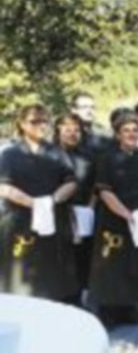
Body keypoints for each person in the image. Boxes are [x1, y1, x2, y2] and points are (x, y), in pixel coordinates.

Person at [0, 104, 79, 302]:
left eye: (45, 121)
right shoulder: (10, 154)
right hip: (20, 221)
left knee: (51, 273)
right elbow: (3, 187)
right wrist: (34, 204)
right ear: (22, 124)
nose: (41, 125)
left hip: (53, 219)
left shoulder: (57, 152)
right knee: (19, 274)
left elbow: (71, 182)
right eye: (35, 121)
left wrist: (51, 201)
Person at [89, 108, 138, 326]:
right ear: (118, 134)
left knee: (136, 264)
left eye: (135, 130)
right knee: (111, 265)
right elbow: (105, 191)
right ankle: (108, 312)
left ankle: (129, 307)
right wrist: (127, 215)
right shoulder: (107, 158)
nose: (131, 134)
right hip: (115, 220)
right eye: (126, 130)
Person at [53, 113, 96, 301]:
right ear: (58, 130)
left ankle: (78, 299)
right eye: (67, 128)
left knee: (81, 259)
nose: (72, 133)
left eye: (77, 129)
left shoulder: (87, 156)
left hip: (83, 213)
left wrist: (90, 209)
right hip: (58, 215)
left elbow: (96, 185)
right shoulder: (50, 155)